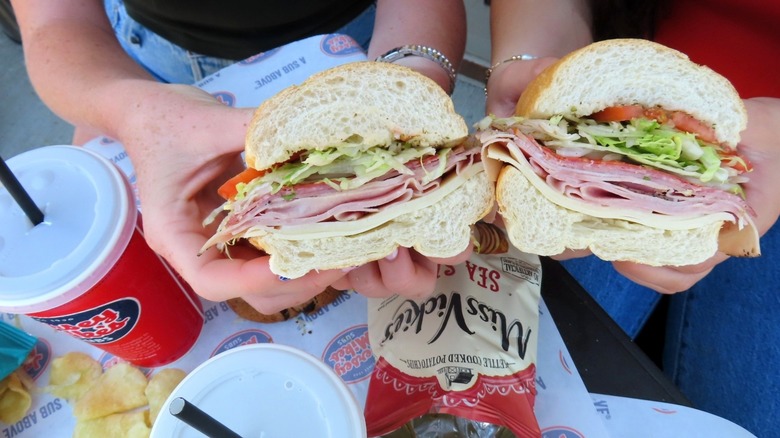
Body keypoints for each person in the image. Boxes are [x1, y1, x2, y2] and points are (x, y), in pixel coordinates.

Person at [10, 0, 472, 315]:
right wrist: (132, 111)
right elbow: (55, 22)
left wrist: (414, 73)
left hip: (368, 41)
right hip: (153, 65)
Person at [485, 0, 780, 435]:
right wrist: (535, 65)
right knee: (501, 376)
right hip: (611, 67)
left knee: (744, 420)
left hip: (742, 161)